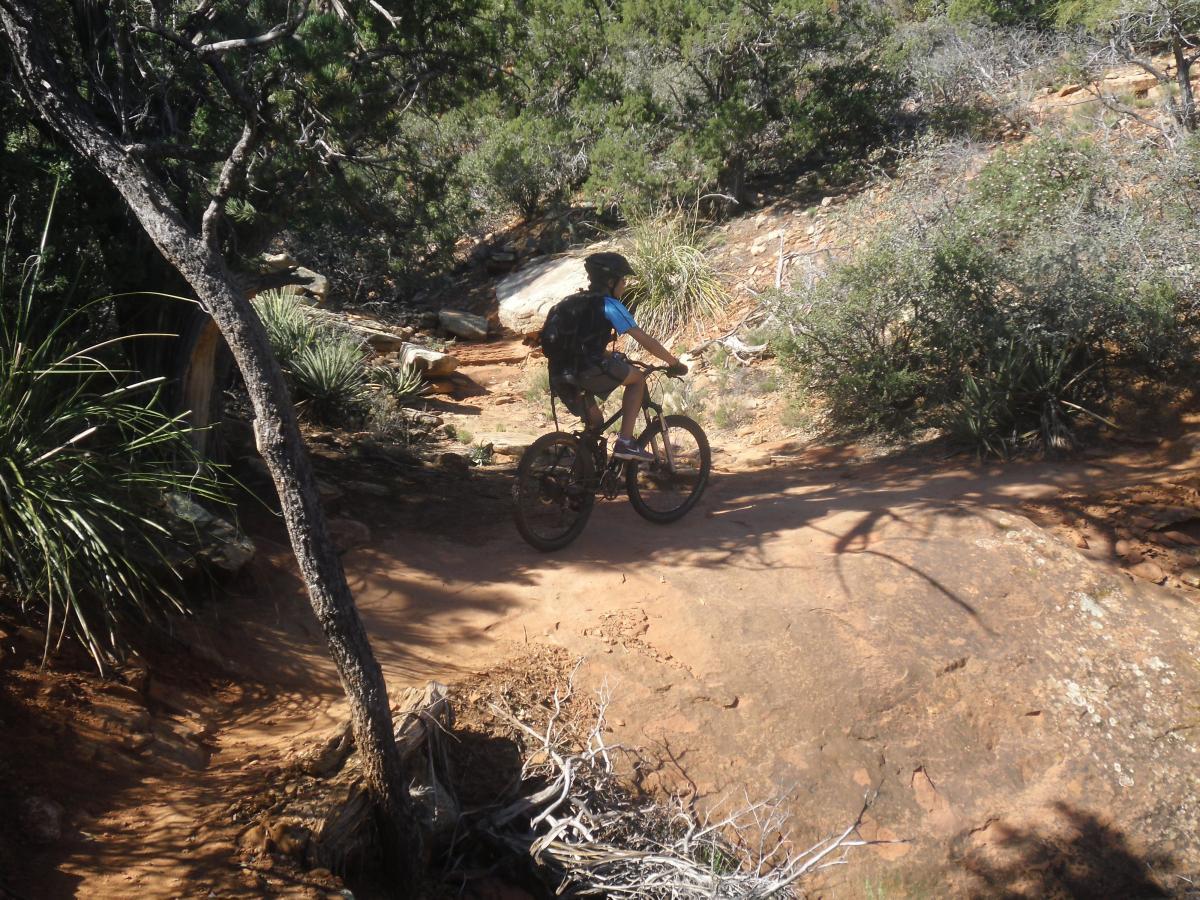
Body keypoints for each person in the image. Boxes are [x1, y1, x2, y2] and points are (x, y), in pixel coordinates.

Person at [547, 251, 687, 463]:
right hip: (586, 369)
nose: (625, 285)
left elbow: (579, 342)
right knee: (637, 379)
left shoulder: (569, 303)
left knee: (595, 422)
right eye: (623, 280)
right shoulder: (609, 305)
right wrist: (673, 362)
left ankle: (586, 475)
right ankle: (625, 442)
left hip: (560, 372)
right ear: (611, 281)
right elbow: (643, 338)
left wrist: (608, 355)